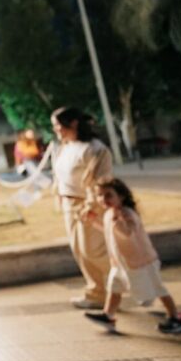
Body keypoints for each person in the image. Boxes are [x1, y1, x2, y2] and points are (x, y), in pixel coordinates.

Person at [84, 179, 181, 334]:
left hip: (142, 262)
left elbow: (127, 233)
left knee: (158, 288)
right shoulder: (109, 214)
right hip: (120, 263)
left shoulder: (127, 213)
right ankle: (108, 315)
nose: (103, 199)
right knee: (114, 288)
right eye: (99, 195)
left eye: (108, 195)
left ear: (122, 196)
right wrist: (94, 221)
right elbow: (110, 231)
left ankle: (175, 317)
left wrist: (117, 220)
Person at [51, 107, 114, 309]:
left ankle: (127, 274)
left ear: (74, 123)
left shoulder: (94, 149)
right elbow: (60, 175)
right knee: (79, 251)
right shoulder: (64, 146)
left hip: (87, 205)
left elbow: (101, 180)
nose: (56, 129)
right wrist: (60, 195)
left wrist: (91, 205)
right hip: (70, 205)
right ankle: (96, 293)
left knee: (92, 250)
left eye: (58, 125)